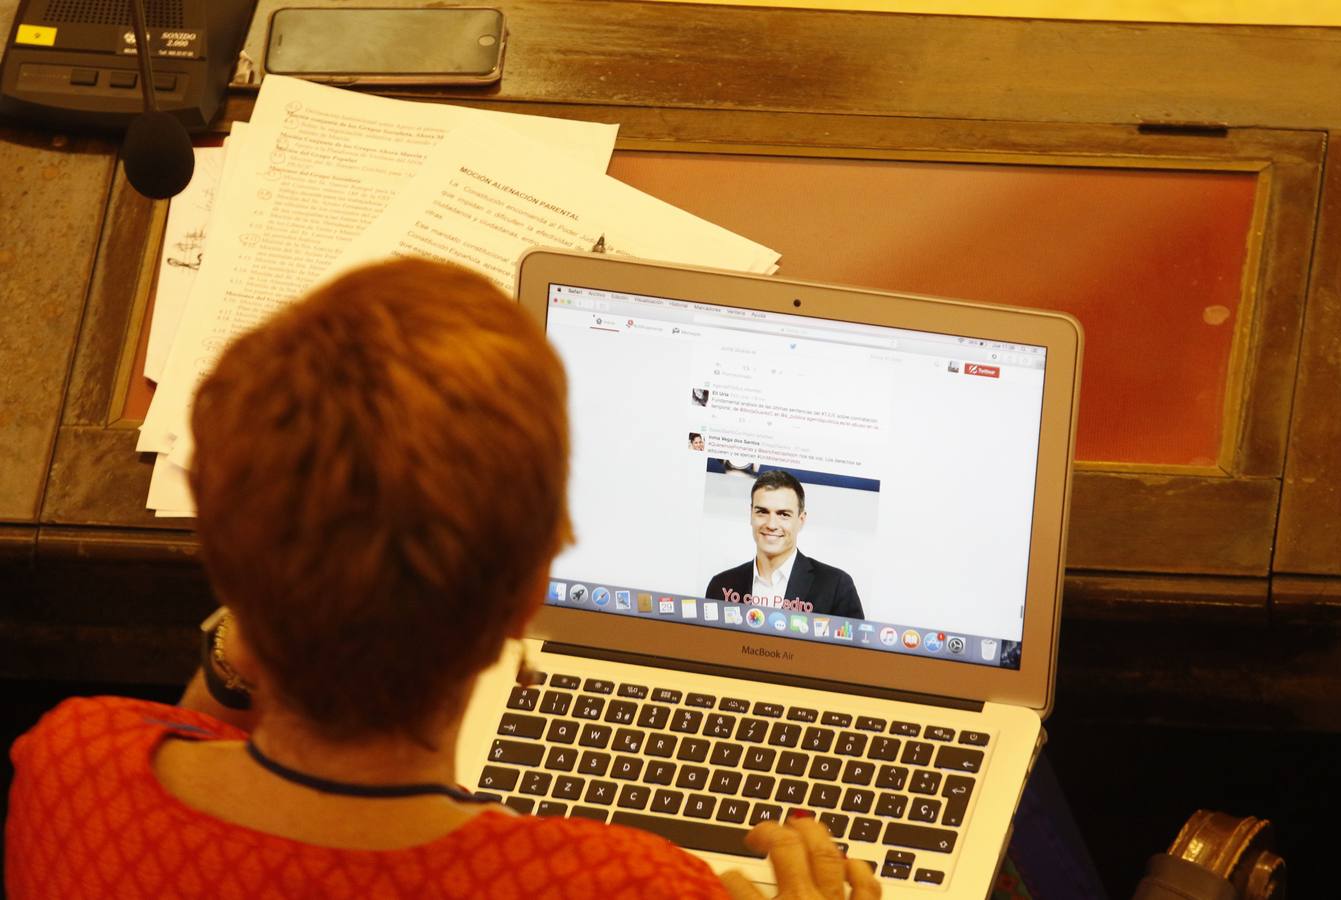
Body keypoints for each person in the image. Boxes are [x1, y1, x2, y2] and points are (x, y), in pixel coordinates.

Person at [5, 259, 879, 900]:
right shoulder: (635, 887)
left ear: (226, 554)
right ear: (530, 592)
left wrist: (262, 602)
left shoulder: (73, 769)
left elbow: (200, 751)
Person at [706, 470, 864, 618]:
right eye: (762, 512)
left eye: (783, 514)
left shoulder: (836, 586)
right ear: (751, 515)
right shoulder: (721, 585)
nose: (771, 524)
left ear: (801, 520)